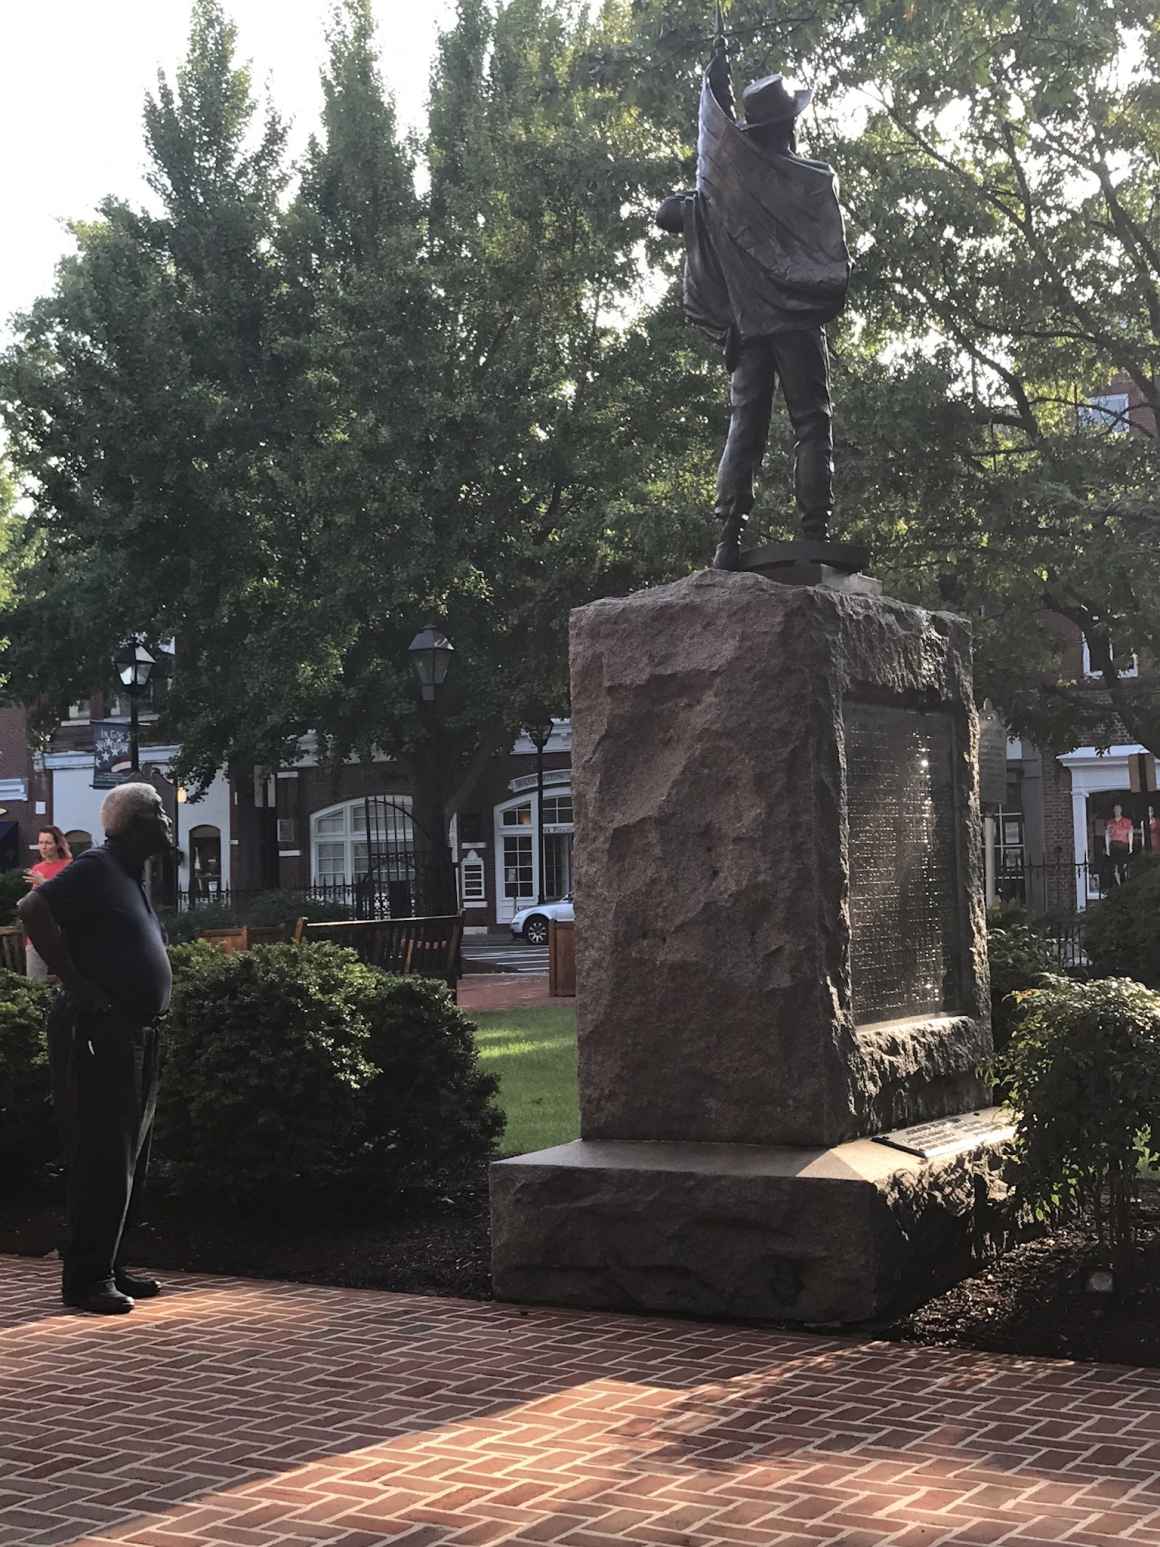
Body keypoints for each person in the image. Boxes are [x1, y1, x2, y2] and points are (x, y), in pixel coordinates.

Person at [655, 27, 850, 569]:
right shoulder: (813, 179)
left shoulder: (725, 194)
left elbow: (667, 214)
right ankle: (815, 528)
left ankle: (727, 540)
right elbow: (831, 255)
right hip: (796, 321)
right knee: (811, 420)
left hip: (748, 327)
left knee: (746, 426)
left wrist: (704, 198)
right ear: (788, 125)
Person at [17, 782, 174, 1315]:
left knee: (131, 1157)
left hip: (136, 1031)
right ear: (131, 825)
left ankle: (111, 1264)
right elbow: (32, 907)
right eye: (158, 813)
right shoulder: (97, 865)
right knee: (102, 1155)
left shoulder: (128, 874)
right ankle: (86, 1280)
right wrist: (82, 987)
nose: (167, 820)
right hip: (96, 1032)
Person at [23, 827, 73, 980]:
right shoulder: (37, 868)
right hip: (36, 933)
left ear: (58, 844)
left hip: (62, 934)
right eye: (40, 842)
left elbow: (69, 899)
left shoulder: (69, 866)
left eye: (48, 843)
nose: (43, 847)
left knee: (69, 981)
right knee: (34, 984)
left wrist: (43, 882)